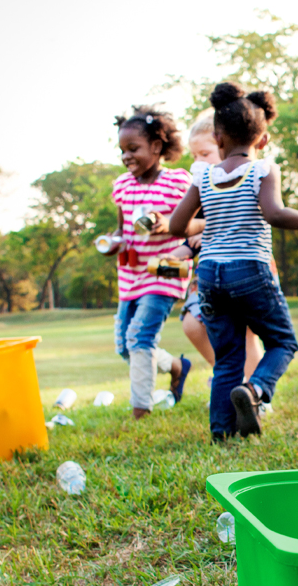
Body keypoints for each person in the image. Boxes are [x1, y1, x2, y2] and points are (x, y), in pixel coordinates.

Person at [171, 82, 298, 441]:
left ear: (217, 138)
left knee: (227, 356)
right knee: (283, 343)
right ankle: (254, 392)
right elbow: (275, 214)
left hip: (210, 274)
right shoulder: (261, 170)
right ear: (262, 140)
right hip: (249, 269)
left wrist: (208, 222)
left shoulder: (203, 175)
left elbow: (176, 226)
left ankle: (221, 432)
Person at [107, 105, 196, 420]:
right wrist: (112, 242)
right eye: (122, 150)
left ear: (157, 147)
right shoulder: (121, 186)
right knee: (124, 346)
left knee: (139, 338)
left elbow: (197, 222)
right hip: (130, 274)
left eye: (134, 149)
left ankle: (140, 410)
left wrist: (168, 223)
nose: (126, 156)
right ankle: (176, 366)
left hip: (165, 269)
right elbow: (122, 230)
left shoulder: (178, 182)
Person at [180, 115, 265, 380]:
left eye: (204, 153)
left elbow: (250, 221)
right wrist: (175, 254)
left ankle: (256, 395)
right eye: (194, 155)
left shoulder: (249, 177)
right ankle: (230, 379)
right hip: (208, 274)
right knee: (193, 325)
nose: (198, 161)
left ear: (224, 145)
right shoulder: (202, 187)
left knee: (246, 335)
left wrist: (204, 229)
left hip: (245, 266)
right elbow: (187, 231)